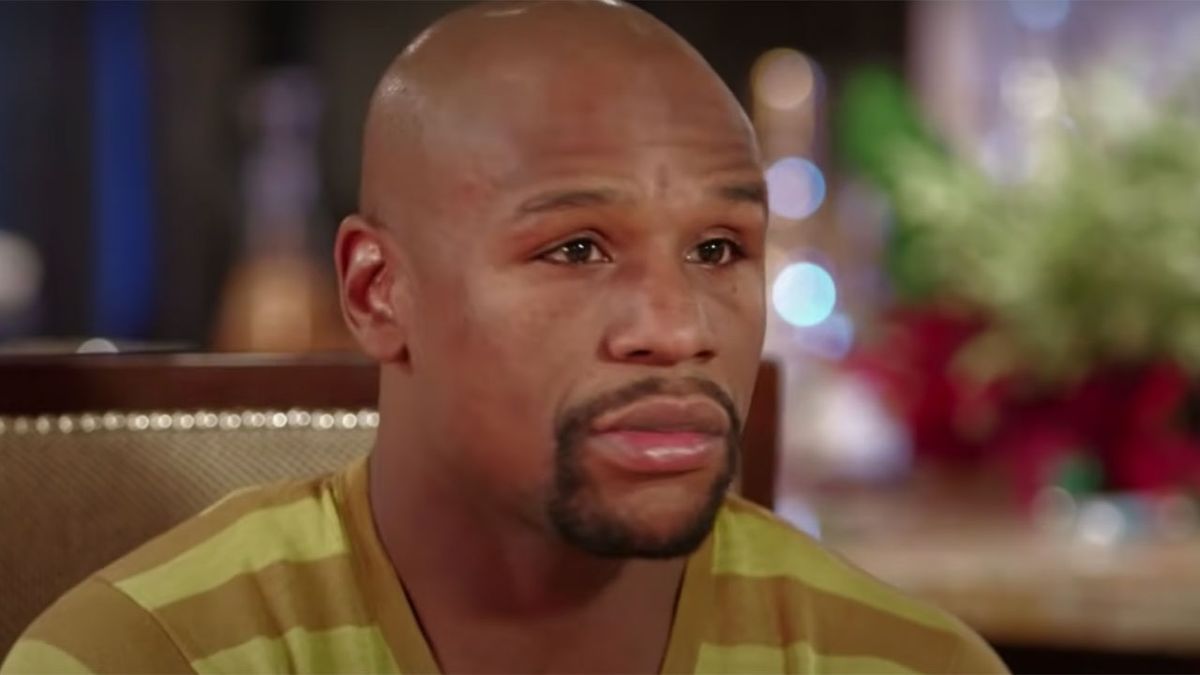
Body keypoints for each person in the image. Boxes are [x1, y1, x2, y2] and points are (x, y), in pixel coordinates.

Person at [2, 1, 1007, 673]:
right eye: (575, 249)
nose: (676, 328)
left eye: (716, 248)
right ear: (376, 290)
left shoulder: (899, 660)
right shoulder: (141, 657)